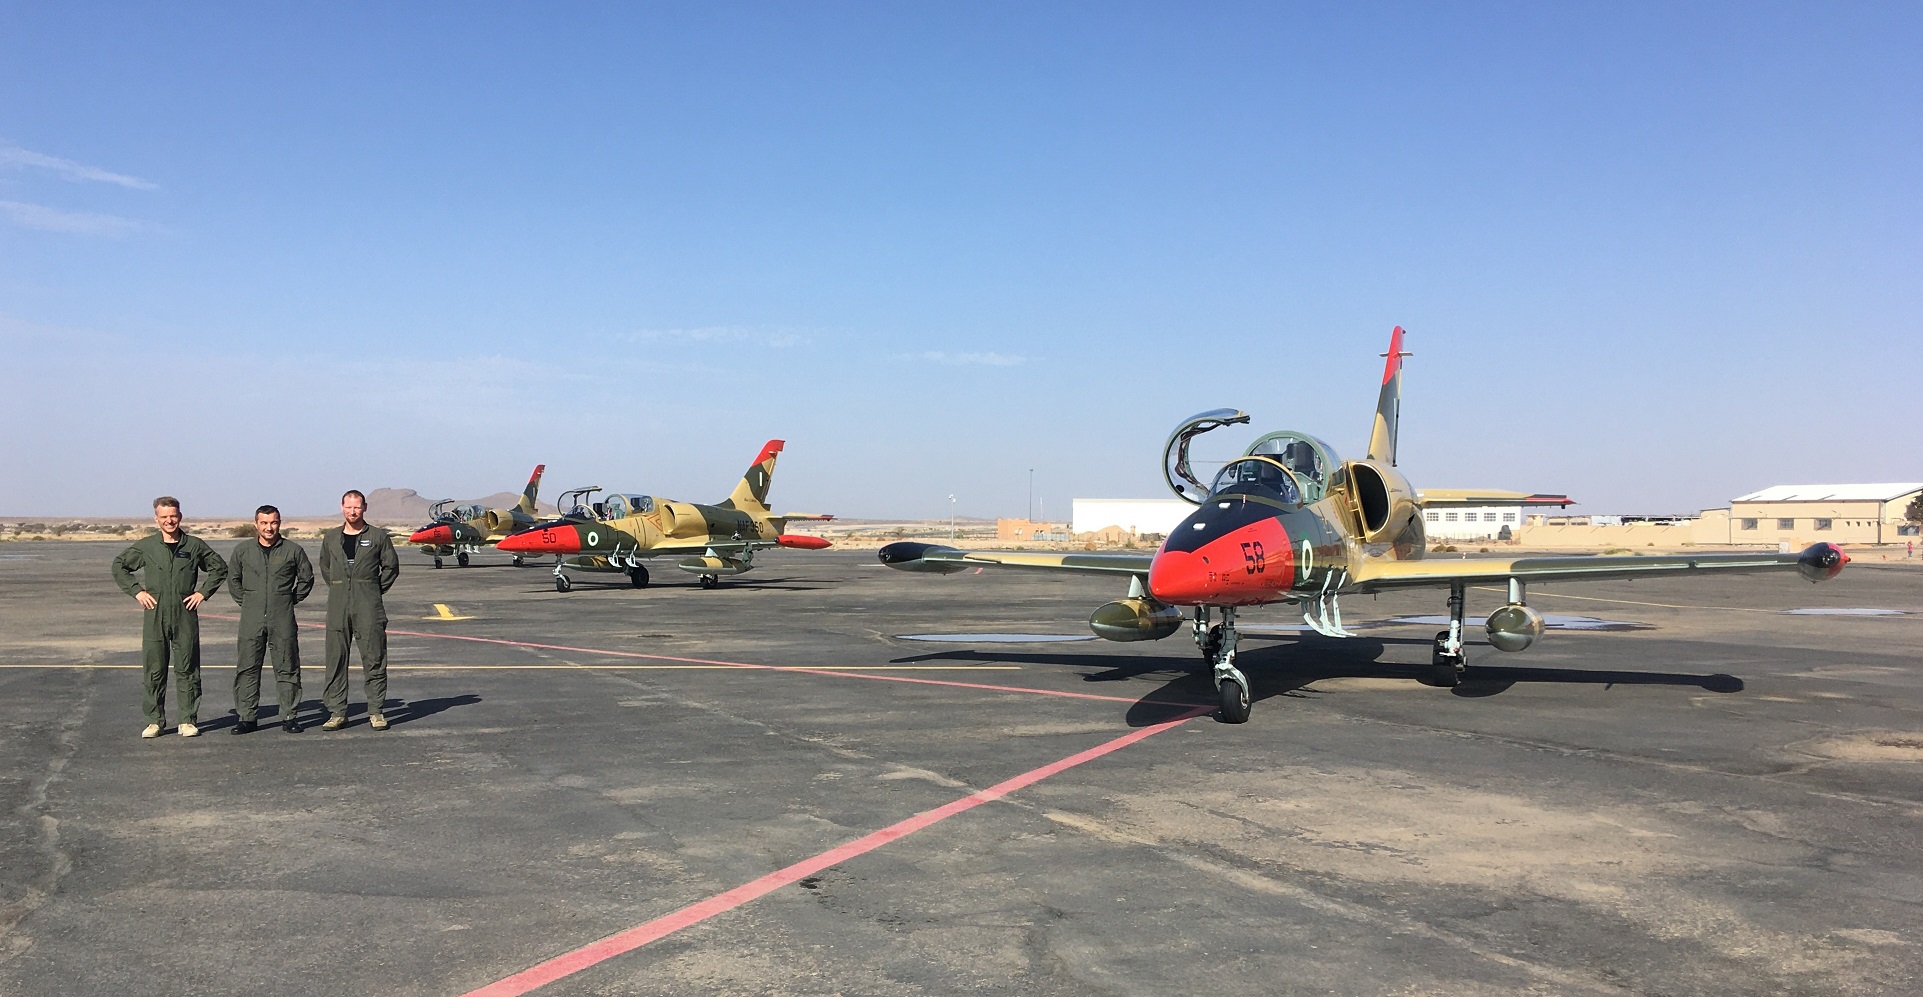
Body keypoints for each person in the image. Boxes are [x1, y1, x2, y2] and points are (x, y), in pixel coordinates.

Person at [110, 496, 228, 739]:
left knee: (188, 667)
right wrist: (137, 591)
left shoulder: (193, 546)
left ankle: (187, 720)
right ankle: (154, 721)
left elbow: (219, 568)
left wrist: (202, 593)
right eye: (164, 517)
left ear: (180, 516)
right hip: (155, 613)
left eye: (173, 516)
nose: (169, 521)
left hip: (185, 613)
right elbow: (119, 566)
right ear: (156, 519)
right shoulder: (147, 546)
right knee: (154, 668)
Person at [318, 489, 400, 730]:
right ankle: (337, 712)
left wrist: (373, 589)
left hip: (368, 605)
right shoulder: (331, 538)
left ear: (364, 508)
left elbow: (391, 567)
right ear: (342, 507)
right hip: (338, 604)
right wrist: (341, 587)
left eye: (357, 507)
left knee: (374, 657)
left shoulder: (377, 536)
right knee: (335, 659)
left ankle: (376, 711)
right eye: (348, 507)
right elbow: (325, 568)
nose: (352, 511)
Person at [229, 505, 314, 734]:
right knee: (247, 667)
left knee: (287, 666)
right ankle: (247, 717)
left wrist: (287, 600)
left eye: (273, 522)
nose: (269, 527)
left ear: (280, 523)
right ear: (256, 524)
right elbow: (233, 580)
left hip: (282, 617)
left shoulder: (293, 551)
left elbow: (306, 579)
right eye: (264, 523)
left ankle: (289, 716)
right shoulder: (243, 551)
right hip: (251, 618)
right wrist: (248, 602)